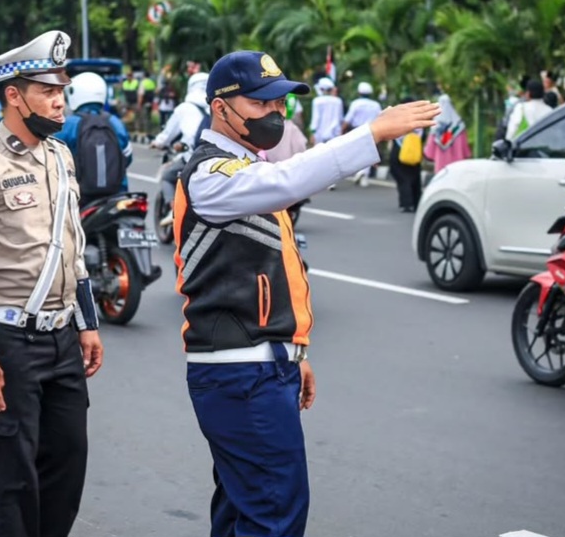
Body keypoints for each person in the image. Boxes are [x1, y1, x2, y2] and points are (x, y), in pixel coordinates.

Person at [174, 50, 440, 537]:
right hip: (240, 374)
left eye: (281, 105)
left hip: (259, 365)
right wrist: (371, 134)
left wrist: (292, 350)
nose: (275, 114)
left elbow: (275, 271)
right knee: (274, 514)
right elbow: (287, 179)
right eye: (261, 104)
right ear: (220, 107)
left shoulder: (245, 168)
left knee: (242, 509)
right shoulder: (212, 175)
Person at [0, 30, 104, 537]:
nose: (60, 100)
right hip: (8, 343)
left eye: (62, 89)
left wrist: (88, 324)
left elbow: (71, 246)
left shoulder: (60, 157)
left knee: (67, 467)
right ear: (13, 95)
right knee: (13, 481)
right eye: (47, 90)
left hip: (61, 340)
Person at [55, 71, 133, 204]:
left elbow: (53, 158)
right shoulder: (115, 122)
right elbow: (128, 157)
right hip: (117, 195)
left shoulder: (68, 125)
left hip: (79, 198)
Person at [150, 72, 209, 226]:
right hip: (214, 157)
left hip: (191, 156)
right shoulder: (214, 106)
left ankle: (174, 208)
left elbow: (167, 135)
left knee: (167, 176)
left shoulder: (184, 108)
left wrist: (157, 143)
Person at [342, 81, 382, 186]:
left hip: (357, 129)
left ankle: (361, 172)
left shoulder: (356, 103)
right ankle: (364, 175)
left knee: (357, 152)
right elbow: (380, 118)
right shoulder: (376, 105)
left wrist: (342, 130)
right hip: (372, 129)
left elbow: (348, 119)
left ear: (359, 93)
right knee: (369, 151)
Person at [389, 97, 424, 212]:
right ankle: (416, 202)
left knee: (402, 178)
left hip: (399, 151)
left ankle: (406, 202)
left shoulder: (397, 118)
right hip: (414, 151)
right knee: (414, 177)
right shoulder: (419, 118)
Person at [424, 93, 471, 174]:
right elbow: (465, 149)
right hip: (458, 166)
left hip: (441, 167)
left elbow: (429, 152)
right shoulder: (459, 125)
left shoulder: (436, 126)